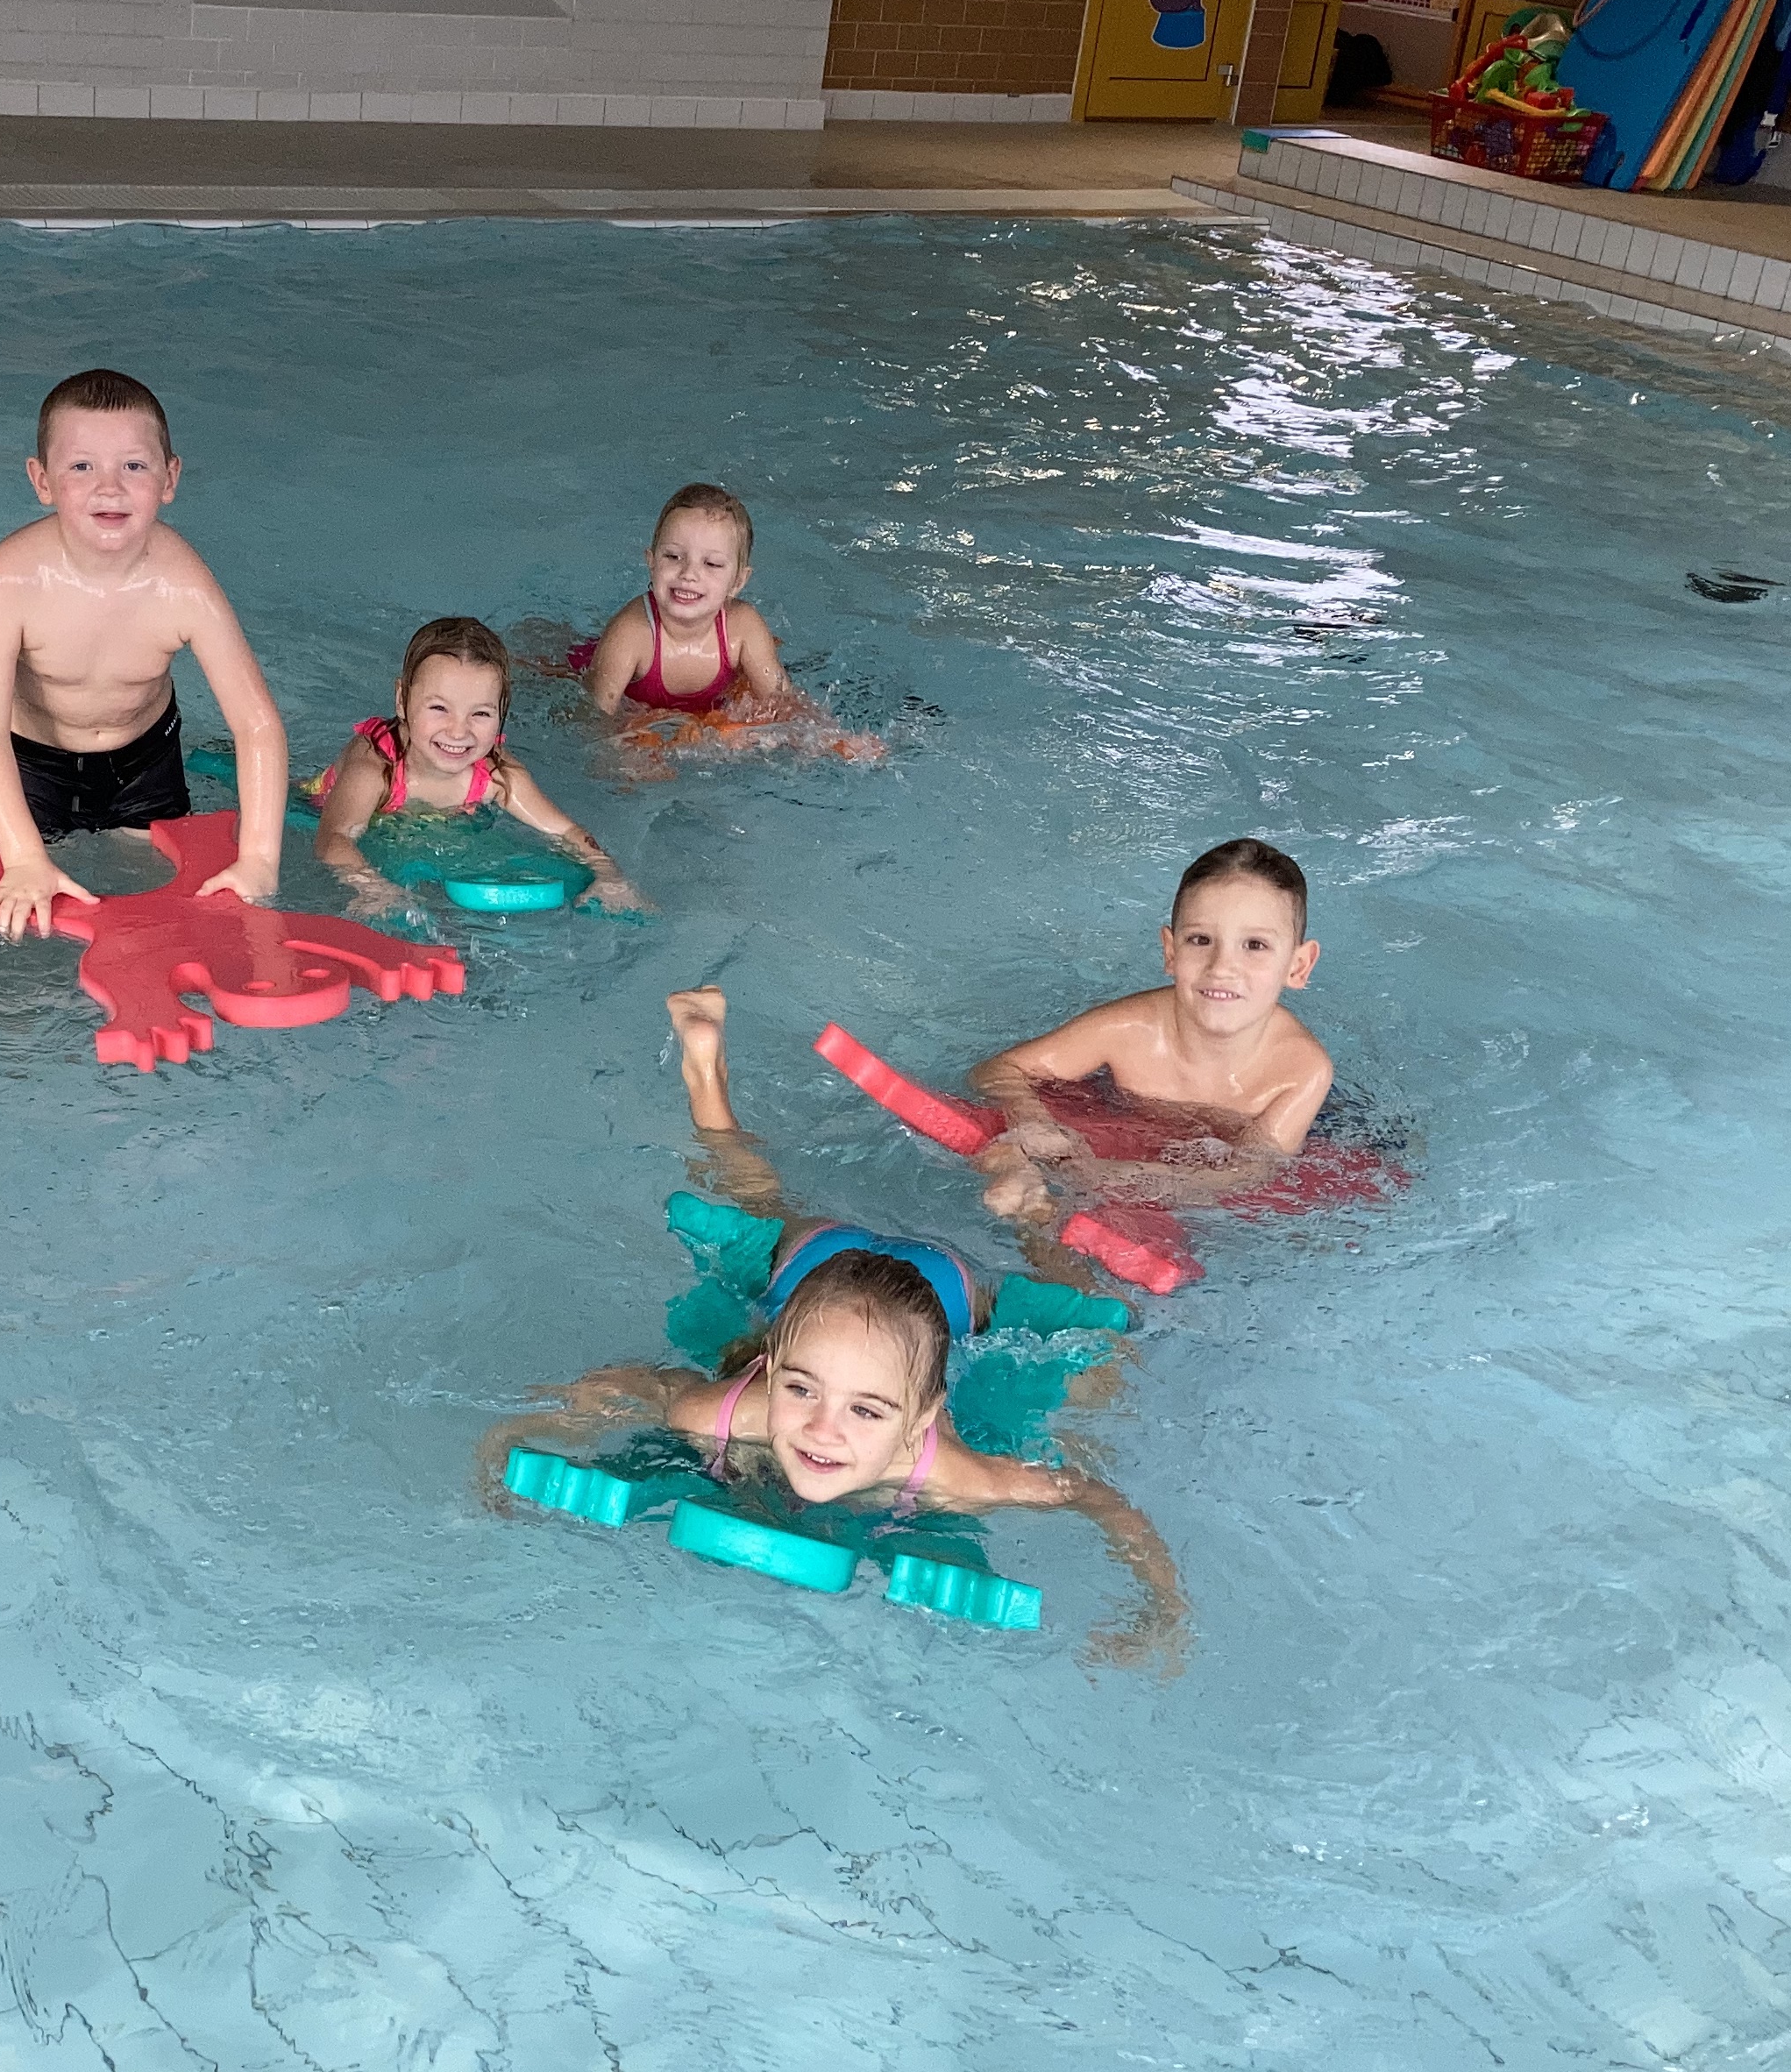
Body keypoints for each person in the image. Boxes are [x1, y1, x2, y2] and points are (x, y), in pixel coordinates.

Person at [506, 987, 1187, 1667]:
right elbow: (636, 1387)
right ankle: (703, 1070)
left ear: (923, 1418)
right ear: (770, 1369)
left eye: (866, 1410)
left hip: (945, 1293)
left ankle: (1034, 1214)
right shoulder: (718, 1415)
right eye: (801, 1389)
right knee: (756, 1202)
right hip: (817, 1265)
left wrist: (1162, 1610)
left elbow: (1092, 1496)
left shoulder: (961, 1475)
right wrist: (510, 1437)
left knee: (1094, 1333)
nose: (823, 1429)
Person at [0, 368, 288, 940]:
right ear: (42, 480)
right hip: (34, 765)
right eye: (82, 467)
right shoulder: (11, 579)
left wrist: (259, 858)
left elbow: (256, 725)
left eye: (133, 466)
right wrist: (24, 857)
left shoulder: (182, 584)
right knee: (21, 916)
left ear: (169, 478)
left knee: (172, 917)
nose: (109, 488)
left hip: (145, 762)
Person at [970, 836, 1333, 1231]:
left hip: (1312, 1130)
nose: (1221, 967)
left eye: (1255, 945)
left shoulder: (1302, 1071)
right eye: (1200, 940)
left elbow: (1246, 1174)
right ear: (1171, 952)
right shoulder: (1127, 1029)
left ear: (1298, 966)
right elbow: (999, 1070)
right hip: (1118, 1114)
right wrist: (1032, 1123)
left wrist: (1110, 1178)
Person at [309, 614, 643, 917]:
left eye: (480, 714)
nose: (459, 731)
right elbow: (333, 839)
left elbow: (565, 832)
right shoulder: (376, 768)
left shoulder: (497, 775)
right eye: (439, 708)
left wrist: (610, 876)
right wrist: (374, 889)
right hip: (311, 812)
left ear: (502, 712)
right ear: (401, 700)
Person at [573, 483, 791, 718]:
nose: (689, 574)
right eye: (673, 556)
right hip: (590, 669)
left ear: (738, 581)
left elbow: (786, 709)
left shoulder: (743, 629)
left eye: (712, 564)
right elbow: (593, 720)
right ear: (652, 562)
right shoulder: (630, 635)